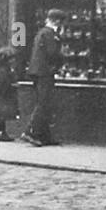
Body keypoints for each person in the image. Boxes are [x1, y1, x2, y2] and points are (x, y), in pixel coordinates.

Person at [21, 9, 64, 147]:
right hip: (44, 72)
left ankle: (45, 136)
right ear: (57, 21)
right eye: (61, 22)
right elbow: (52, 53)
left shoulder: (42, 32)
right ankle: (30, 131)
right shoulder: (49, 34)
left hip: (38, 72)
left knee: (45, 103)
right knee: (43, 103)